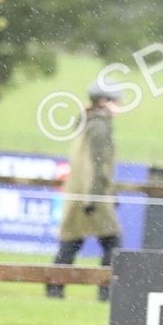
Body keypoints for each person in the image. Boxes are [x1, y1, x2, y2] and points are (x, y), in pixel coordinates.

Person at [47, 81, 122, 301]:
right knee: (113, 245)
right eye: (115, 102)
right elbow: (97, 165)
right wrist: (97, 197)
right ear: (103, 102)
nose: (119, 106)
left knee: (71, 242)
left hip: (82, 192)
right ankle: (106, 291)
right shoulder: (99, 126)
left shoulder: (89, 122)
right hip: (91, 195)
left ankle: (54, 288)